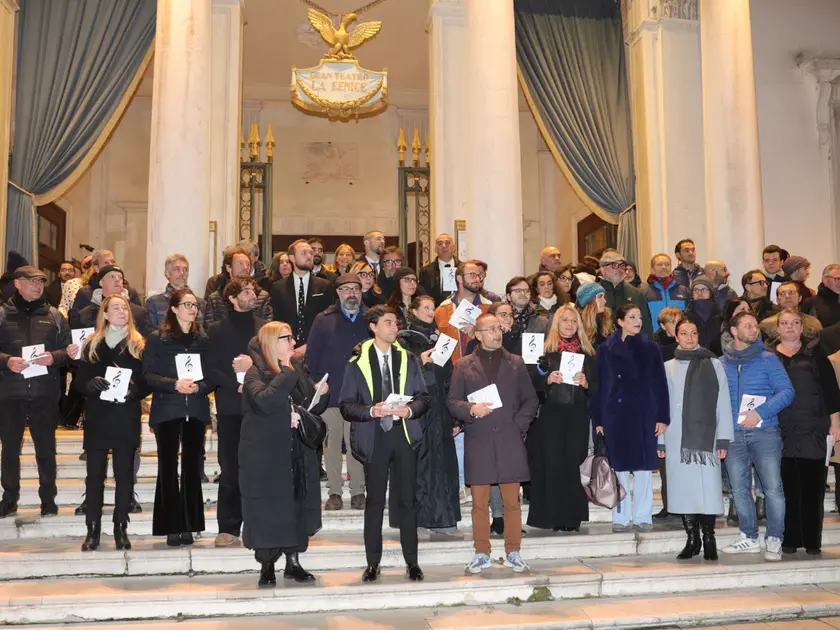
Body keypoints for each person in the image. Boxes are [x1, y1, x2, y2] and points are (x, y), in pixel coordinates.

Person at [339, 305, 430, 583]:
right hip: (375, 438)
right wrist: (371, 411)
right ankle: (372, 563)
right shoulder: (356, 362)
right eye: (389, 322)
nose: (395, 327)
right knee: (375, 502)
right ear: (373, 327)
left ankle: (412, 562)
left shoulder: (409, 359)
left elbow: (423, 398)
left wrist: (410, 410)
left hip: (402, 436)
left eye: (396, 323)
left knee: (406, 501)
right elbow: (346, 406)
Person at [447, 313, 539, 574]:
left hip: (509, 439)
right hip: (480, 438)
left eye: (499, 328)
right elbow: (452, 401)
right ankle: (481, 552)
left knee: (512, 502)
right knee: (479, 503)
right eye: (490, 329)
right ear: (477, 334)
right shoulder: (463, 365)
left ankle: (513, 551)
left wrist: (518, 425)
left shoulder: (516, 363)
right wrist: (471, 409)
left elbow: (530, 400)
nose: (497, 333)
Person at [240, 321, 328, 587]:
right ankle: (267, 565)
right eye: (286, 338)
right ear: (271, 343)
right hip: (265, 453)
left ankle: (293, 561)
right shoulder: (254, 373)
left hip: (296, 449)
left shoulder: (296, 369)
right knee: (267, 507)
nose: (293, 343)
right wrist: (288, 371)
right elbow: (265, 401)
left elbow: (310, 407)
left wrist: (319, 395)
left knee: (296, 503)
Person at [75, 294, 151, 551]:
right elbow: (78, 382)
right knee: (94, 475)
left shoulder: (139, 344)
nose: (121, 311)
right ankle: (92, 530)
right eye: (115, 308)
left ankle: (121, 527)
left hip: (125, 415)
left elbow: (147, 379)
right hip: (98, 415)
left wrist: (136, 391)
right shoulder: (92, 344)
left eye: (125, 308)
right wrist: (90, 383)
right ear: (105, 314)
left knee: (124, 474)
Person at [719, 310, 794, 561]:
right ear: (734, 331)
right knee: (739, 490)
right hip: (733, 435)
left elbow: (786, 392)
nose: (754, 330)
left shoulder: (768, 359)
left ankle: (774, 539)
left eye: (755, 326)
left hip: (765, 432)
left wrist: (760, 413)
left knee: (773, 489)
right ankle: (748, 537)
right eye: (748, 326)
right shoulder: (721, 363)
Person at [0, 266, 74, 518]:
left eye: (41, 281)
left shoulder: (54, 316)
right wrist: (6, 361)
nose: (38, 285)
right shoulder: (2, 314)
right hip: (10, 394)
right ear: (17, 284)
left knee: (46, 449)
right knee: (9, 449)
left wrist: (54, 357)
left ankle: (48, 499)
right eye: (32, 281)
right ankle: (9, 498)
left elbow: (70, 351)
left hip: (44, 393)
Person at [142, 288, 213, 547]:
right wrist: (174, 384)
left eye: (195, 305)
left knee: (192, 467)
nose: (192, 309)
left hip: (194, 408)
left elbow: (212, 375)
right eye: (186, 304)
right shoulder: (157, 339)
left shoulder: (203, 339)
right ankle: (171, 525)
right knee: (168, 467)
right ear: (173, 308)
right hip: (168, 409)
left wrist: (200, 387)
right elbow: (148, 375)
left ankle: (190, 524)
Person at [659, 318, 733, 561]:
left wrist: (723, 439)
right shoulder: (667, 366)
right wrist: (660, 440)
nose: (689, 337)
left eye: (693, 333)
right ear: (676, 336)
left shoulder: (713, 364)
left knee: (707, 489)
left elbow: (723, 403)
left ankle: (709, 537)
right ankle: (692, 539)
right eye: (683, 333)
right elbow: (660, 407)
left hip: (705, 438)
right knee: (683, 489)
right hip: (675, 436)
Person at [591, 304, 669, 532]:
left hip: (645, 413)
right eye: (631, 317)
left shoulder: (651, 348)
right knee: (620, 468)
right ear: (620, 321)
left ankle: (643, 515)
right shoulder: (605, 349)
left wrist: (662, 416)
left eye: (639, 317)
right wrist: (598, 420)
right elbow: (599, 387)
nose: (637, 320)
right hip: (615, 415)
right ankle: (621, 515)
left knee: (644, 468)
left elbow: (660, 384)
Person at [770, 309, 840, 555]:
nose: (790, 327)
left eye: (795, 323)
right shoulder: (767, 357)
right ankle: (789, 539)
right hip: (778, 431)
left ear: (802, 328)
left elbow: (831, 392)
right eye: (785, 323)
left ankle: (812, 541)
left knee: (812, 488)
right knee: (786, 488)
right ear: (777, 329)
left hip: (813, 429)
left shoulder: (816, 356)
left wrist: (835, 423)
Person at [205, 277, 266, 547]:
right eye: (246, 291)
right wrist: (236, 385)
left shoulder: (265, 329)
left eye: (254, 290)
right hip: (230, 407)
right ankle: (229, 526)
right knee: (230, 468)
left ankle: (260, 523)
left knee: (260, 467)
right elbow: (210, 369)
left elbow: (276, 364)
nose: (253, 294)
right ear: (232, 297)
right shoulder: (216, 330)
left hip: (261, 406)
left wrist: (251, 368)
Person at [396, 295, 461, 535]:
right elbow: (398, 375)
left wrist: (454, 415)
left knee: (443, 465)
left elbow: (449, 379)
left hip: (440, 409)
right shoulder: (404, 339)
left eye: (433, 308)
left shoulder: (442, 339)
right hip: (417, 410)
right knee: (421, 466)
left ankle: (444, 518)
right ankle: (420, 519)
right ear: (412, 310)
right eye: (425, 307)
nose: (430, 311)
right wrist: (419, 363)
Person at [529, 305, 597, 532]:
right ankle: (552, 517)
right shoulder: (544, 353)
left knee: (573, 464)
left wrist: (587, 383)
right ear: (556, 323)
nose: (569, 324)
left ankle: (572, 517)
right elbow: (529, 384)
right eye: (565, 320)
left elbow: (598, 387)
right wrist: (547, 380)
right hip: (550, 416)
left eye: (573, 320)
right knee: (552, 464)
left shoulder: (587, 353)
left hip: (577, 416)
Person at [305, 273, 370, 510]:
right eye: (346, 289)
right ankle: (334, 492)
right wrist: (316, 383)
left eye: (356, 289)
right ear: (338, 293)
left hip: (360, 395)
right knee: (332, 443)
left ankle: (358, 491)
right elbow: (311, 357)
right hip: (331, 393)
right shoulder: (323, 320)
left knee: (356, 444)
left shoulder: (370, 319)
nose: (352, 293)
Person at [269, 239, 335, 348]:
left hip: (316, 345)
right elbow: (276, 320)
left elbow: (328, 320)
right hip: (286, 346)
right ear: (292, 258)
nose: (309, 256)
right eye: (304, 253)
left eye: (310, 253)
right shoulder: (278, 287)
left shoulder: (324, 286)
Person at [434, 260, 493, 363]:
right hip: (451, 372)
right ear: (459, 278)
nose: (477, 279)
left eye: (479, 275)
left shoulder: (489, 308)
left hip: (483, 369)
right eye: (472, 275)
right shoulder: (442, 309)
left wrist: (477, 335)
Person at [73, 265, 155, 338]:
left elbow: (148, 340)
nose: (117, 280)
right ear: (101, 282)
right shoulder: (86, 314)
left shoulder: (138, 312)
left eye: (120, 277)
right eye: (112, 277)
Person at [205, 248, 273, 327]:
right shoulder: (215, 298)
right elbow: (209, 329)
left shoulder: (262, 296)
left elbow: (268, 329)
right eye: (240, 263)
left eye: (248, 264)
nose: (245, 267)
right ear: (228, 267)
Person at [597, 250, 653, 337]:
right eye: (614, 265)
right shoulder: (592, 293)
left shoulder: (636, 293)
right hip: (599, 346)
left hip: (631, 346)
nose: (619, 269)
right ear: (602, 268)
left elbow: (646, 326)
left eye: (622, 266)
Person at [71, 249, 142, 317]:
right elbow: (78, 321)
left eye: (113, 262)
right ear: (97, 268)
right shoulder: (85, 293)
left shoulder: (130, 292)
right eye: (106, 263)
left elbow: (139, 316)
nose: (111, 265)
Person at [145, 254, 205, 329]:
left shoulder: (200, 303)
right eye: (177, 269)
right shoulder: (154, 303)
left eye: (185, 269)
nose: (182, 273)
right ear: (167, 274)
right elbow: (151, 334)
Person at [644, 254, 689, 331]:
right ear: (652, 269)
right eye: (659, 264)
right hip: (653, 339)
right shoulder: (644, 291)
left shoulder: (684, 290)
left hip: (679, 338)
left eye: (667, 264)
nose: (664, 267)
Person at [418, 233, 460, 306]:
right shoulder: (426, 271)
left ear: (454, 247)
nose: (444, 246)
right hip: (436, 312)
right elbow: (423, 297)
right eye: (440, 243)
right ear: (435, 249)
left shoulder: (463, 268)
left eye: (447, 243)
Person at [683, 276, 723, 350]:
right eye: (696, 290)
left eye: (704, 289)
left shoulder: (720, 315)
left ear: (711, 293)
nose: (699, 293)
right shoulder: (685, 317)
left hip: (717, 357)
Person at [575, 282, 614, 349]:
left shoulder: (605, 322)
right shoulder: (576, 325)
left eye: (604, 297)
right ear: (589, 301)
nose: (605, 301)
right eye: (600, 297)